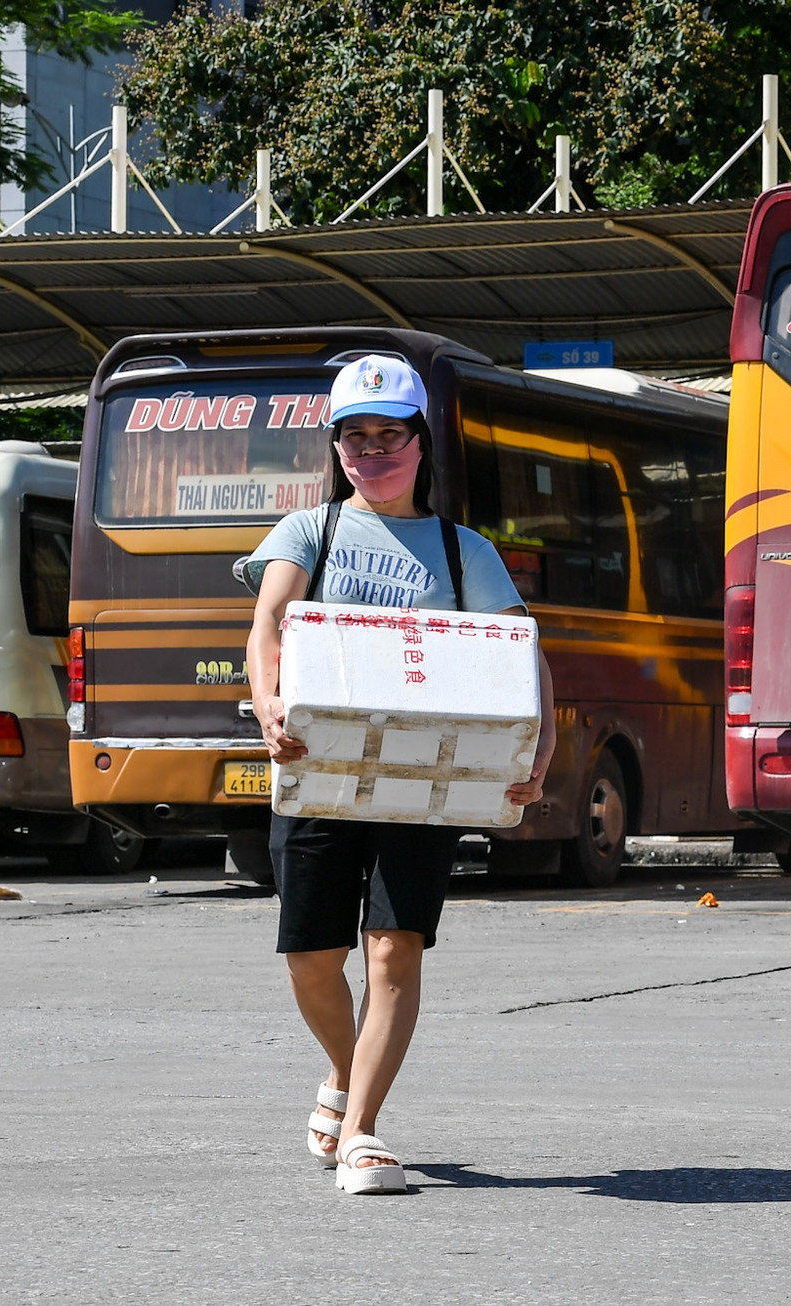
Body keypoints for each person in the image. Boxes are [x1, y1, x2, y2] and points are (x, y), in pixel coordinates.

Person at [241, 354, 555, 1195]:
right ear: (337, 448)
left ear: (421, 444)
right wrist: (269, 702)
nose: (371, 450)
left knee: (392, 951)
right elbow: (269, 621)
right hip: (319, 771)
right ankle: (344, 1081)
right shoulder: (313, 532)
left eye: (389, 435)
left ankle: (365, 1133)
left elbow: (523, 655)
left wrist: (537, 751)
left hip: (426, 782)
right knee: (312, 955)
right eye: (355, 437)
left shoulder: (464, 551)